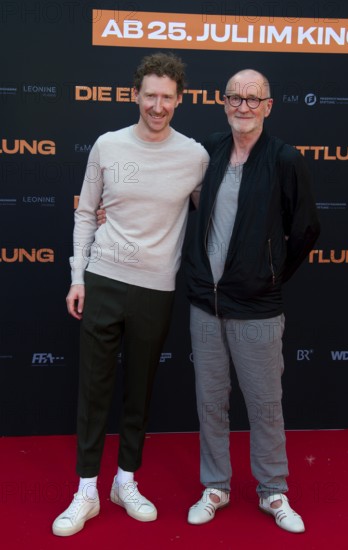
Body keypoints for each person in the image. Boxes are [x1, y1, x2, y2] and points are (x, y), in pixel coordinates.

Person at [52, 52, 209, 537]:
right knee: (94, 390)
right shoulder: (107, 145)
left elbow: (219, 215)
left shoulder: (196, 157)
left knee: (139, 392)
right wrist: (78, 276)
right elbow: (86, 212)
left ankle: (126, 481)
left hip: (156, 288)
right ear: (135, 96)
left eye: (167, 97)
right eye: (150, 96)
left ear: (179, 100)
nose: (157, 105)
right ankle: (85, 492)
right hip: (102, 279)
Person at [184, 69, 320, 533]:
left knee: (265, 404)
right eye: (234, 98)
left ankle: (273, 491)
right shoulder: (211, 152)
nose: (243, 106)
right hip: (206, 303)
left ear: (268, 105)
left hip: (258, 306)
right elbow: (175, 203)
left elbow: (305, 229)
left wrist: (269, 275)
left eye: (252, 99)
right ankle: (216, 486)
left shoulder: (284, 159)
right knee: (210, 402)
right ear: (223, 103)